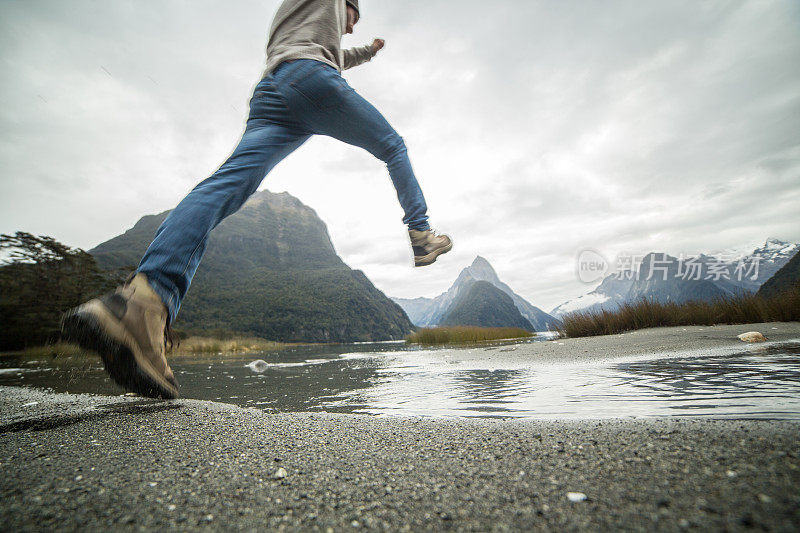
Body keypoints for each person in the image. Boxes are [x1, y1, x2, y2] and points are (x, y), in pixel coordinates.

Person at [61, 0, 452, 399]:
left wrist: (368, 52)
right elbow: (326, 57)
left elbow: (335, 54)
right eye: (354, 17)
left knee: (224, 187)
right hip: (308, 79)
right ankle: (421, 233)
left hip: (273, 92)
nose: (351, 27)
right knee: (393, 145)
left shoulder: (305, 25)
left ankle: (143, 305)